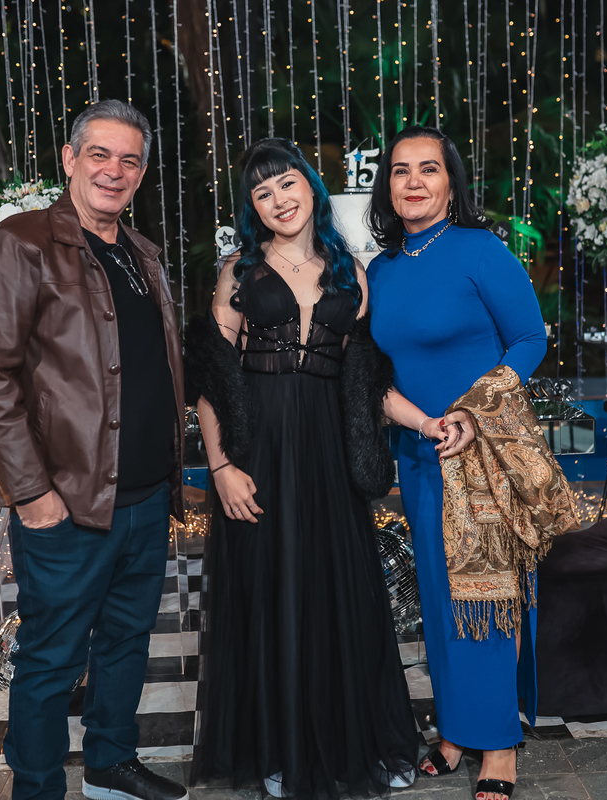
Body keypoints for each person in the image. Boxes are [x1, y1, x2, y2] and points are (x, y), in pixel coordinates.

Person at [0, 100, 188, 800]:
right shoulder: (23, 242)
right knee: (52, 658)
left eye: (129, 160)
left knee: (126, 642)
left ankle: (110, 763)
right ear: (70, 159)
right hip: (67, 502)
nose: (114, 170)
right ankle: (36, 788)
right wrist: (31, 493)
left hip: (143, 497)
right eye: (100, 154)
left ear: (141, 174)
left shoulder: (140, 252)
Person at [186, 138, 419, 799]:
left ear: (311, 188)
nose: (279, 200)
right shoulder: (237, 271)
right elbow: (211, 380)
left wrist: (428, 422)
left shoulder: (353, 273)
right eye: (262, 193)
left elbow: (367, 383)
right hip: (257, 452)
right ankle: (277, 749)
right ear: (252, 208)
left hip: (329, 453)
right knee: (270, 594)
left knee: (339, 594)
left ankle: (353, 744)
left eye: (287, 184)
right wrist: (220, 467)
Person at [363, 126, 560, 800]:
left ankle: (497, 745)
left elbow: (530, 339)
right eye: (400, 170)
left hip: (484, 457)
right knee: (441, 600)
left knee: (489, 601)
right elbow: (378, 370)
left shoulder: (481, 250)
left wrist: (476, 409)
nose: (414, 181)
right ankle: (454, 731)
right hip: (421, 456)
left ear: (451, 183)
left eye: (429, 169)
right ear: (387, 187)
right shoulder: (382, 270)